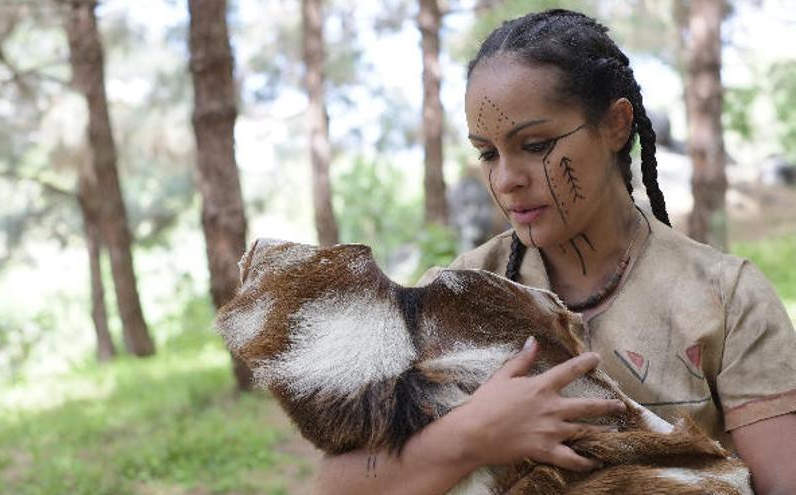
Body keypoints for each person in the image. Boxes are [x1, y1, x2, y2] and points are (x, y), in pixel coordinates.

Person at [312, 9, 796, 495]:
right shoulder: (454, 297)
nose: (506, 179)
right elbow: (336, 485)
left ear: (615, 124)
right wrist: (473, 436)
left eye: (535, 144)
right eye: (488, 153)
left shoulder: (725, 299)